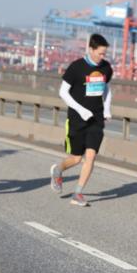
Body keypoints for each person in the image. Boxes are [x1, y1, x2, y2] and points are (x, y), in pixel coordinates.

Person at [49, 33, 113, 207]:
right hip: (77, 119)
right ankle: (58, 170)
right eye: (100, 53)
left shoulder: (106, 68)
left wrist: (106, 110)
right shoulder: (76, 67)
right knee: (76, 158)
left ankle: (78, 193)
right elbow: (63, 92)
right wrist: (81, 110)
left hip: (96, 120)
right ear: (90, 49)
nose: (102, 57)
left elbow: (106, 90)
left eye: (104, 53)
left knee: (91, 157)